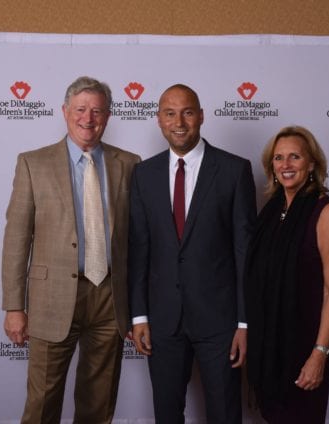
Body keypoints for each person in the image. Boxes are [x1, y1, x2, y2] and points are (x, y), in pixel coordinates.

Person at [1, 76, 140, 423]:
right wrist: (14, 307)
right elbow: (17, 239)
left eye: (96, 111)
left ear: (108, 116)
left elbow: (140, 240)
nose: (87, 118)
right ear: (65, 112)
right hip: (51, 297)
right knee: (42, 404)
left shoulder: (131, 164)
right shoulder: (33, 163)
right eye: (80, 109)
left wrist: (140, 308)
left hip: (110, 298)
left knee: (99, 402)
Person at [128, 84, 257, 423]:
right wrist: (139, 316)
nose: (179, 122)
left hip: (221, 323)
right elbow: (140, 248)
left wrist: (244, 322)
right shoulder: (143, 175)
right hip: (162, 321)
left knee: (225, 413)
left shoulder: (233, 170)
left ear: (201, 116)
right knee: (167, 414)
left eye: (187, 112)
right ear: (159, 120)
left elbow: (245, 254)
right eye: (170, 113)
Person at [245, 125, 329, 423]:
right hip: (270, 347)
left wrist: (319, 354)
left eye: (295, 157)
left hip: (304, 347)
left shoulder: (327, 214)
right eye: (278, 158)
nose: (286, 165)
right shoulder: (272, 212)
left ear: (312, 163)